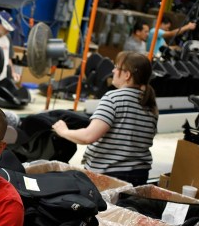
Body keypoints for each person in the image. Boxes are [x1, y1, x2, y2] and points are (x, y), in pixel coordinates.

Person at [51, 51, 158, 186]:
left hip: (109, 176)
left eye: (117, 67)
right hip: (140, 176)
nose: (113, 71)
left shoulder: (113, 98)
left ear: (127, 75)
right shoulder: (151, 105)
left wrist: (63, 131)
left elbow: (88, 136)